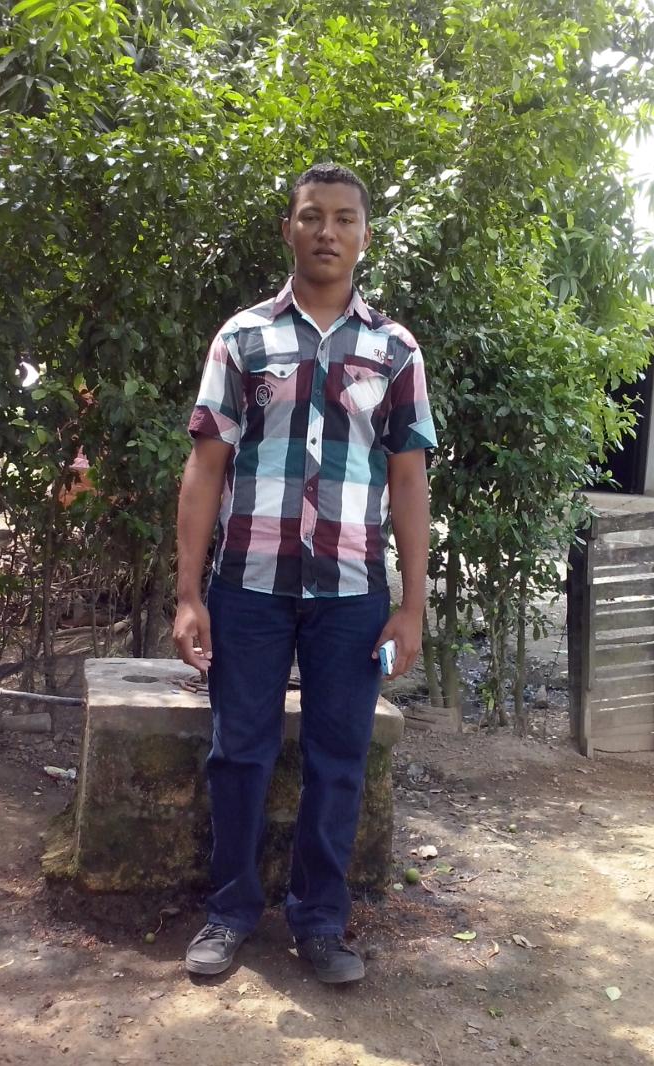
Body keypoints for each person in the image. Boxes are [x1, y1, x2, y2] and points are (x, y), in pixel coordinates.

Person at [173, 162, 437, 984]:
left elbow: (409, 481)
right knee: (238, 752)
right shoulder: (243, 338)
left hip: (352, 596)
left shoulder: (394, 350)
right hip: (247, 587)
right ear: (288, 228)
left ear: (365, 236)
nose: (327, 231)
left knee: (338, 757)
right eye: (312, 215)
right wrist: (188, 594)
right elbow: (205, 468)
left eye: (344, 218)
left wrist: (412, 607)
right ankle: (229, 912)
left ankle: (321, 922)